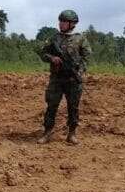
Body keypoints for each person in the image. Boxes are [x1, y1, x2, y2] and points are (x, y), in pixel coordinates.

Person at [37, 10, 92, 145]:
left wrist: (79, 72)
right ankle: (48, 131)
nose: (61, 24)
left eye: (64, 22)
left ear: (72, 24)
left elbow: (87, 56)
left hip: (73, 79)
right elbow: (43, 52)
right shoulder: (54, 38)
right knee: (51, 105)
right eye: (60, 21)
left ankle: (72, 133)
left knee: (73, 107)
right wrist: (52, 58)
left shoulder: (80, 39)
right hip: (56, 78)